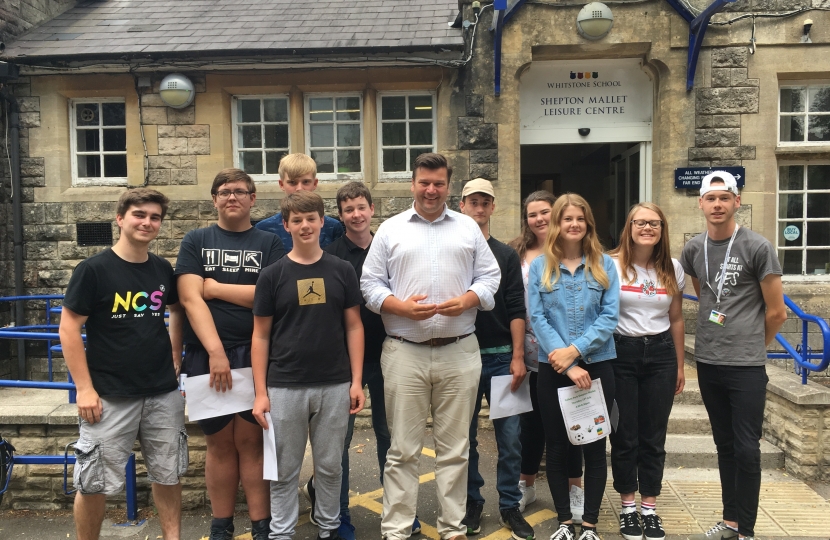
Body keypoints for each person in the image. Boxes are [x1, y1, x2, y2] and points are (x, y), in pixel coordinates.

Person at [361, 153, 501, 540]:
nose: (431, 190)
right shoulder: (390, 230)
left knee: (455, 449)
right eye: (424, 182)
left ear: (448, 186)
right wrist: (399, 307)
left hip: (460, 349)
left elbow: (491, 276)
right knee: (402, 450)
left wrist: (471, 298)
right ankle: (397, 530)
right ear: (413, 184)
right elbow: (370, 286)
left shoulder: (468, 229)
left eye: (439, 183)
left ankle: (452, 528)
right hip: (405, 351)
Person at [59, 188, 186, 540]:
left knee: (169, 474)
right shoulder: (94, 270)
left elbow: (177, 310)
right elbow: (69, 328)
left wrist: (176, 353)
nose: (148, 222)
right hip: (110, 395)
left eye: (155, 217)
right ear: (121, 218)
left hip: (162, 392)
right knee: (94, 482)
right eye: (139, 215)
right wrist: (83, 388)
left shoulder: (161, 268)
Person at [302, 181, 419, 540]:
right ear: (340, 214)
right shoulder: (331, 255)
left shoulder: (389, 249)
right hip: (344, 361)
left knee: (392, 439)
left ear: (372, 209)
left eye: (361, 207)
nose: (356, 214)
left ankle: (401, 518)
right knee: (338, 444)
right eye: (348, 209)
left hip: (391, 353)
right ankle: (338, 520)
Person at [175, 169, 285, 540]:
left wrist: (217, 288)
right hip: (207, 357)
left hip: (256, 355)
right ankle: (221, 526)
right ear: (214, 199)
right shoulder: (196, 239)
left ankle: (261, 527)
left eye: (240, 191)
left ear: (253, 198)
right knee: (220, 444)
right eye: (224, 192)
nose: (231, 197)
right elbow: (190, 297)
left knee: (252, 442)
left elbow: (268, 296)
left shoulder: (269, 242)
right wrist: (216, 352)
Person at [251, 191, 366, 540]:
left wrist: (356, 381)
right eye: (296, 220)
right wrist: (260, 393)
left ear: (322, 221)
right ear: (285, 225)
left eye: (310, 218)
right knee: (284, 470)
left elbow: (354, 326)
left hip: (334, 384)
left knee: (331, 467)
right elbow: (260, 337)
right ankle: (281, 533)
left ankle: (329, 528)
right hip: (284, 386)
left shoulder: (342, 270)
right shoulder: (272, 275)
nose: (304, 225)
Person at [681, 172, 787, 540]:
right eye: (710, 199)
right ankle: (730, 521)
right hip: (709, 362)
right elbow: (706, 294)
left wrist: (755, 345)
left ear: (736, 202)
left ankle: (748, 531)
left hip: (745, 366)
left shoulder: (758, 247)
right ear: (700, 204)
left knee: (747, 449)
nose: (717, 205)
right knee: (723, 445)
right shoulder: (693, 249)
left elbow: (778, 312)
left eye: (725, 198)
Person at [527, 193, 619, 540]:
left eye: (580, 219)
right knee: (558, 445)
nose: (574, 224)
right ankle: (565, 521)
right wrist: (566, 364)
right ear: (557, 224)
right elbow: (536, 317)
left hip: (598, 366)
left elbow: (610, 317)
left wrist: (576, 351)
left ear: (588, 223)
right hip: (554, 370)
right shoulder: (540, 266)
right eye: (567, 219)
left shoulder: (604, 264)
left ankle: (590, 525)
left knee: (595, 447)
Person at [458, 178, 535, 540]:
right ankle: (472, 501)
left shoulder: (504, 254)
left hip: (503, 358)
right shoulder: (453, 249)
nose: (479, 207)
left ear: (492, 207)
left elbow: (517, 309)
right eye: (473, 201)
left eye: (485, 202)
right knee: (465, 437)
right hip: (462, 357)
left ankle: (509, 504)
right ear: (461, 205)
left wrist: (519, 355)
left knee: (510, 437)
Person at [607, 203, 686, 540]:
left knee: (653, 436)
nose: (648, 228)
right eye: (641, 222)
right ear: (630, 226)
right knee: (625, 435)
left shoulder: (672, 268)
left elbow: (677, 318)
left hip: (661, 355)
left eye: (654, 223)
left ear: (662, 229)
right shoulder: (610, 264)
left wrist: (681, 364)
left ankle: (649, 508)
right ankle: (627, 508)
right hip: (620, 353)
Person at [509, 192, 585, 520]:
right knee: (532, 423)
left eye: (546, 212)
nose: (539, 219)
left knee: (573, 421)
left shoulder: (572, 250)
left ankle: (574, 488)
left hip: (569, 351)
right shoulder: (517, 252)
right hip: (530, 350)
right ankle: (526, 485)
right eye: (532, 214)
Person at [255, 153, 344, 250]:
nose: (299, 188)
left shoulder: (333, 227)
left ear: (315, 183)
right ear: (281, 184)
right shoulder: (264, 229)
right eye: (292, 182)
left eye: (306, 182)